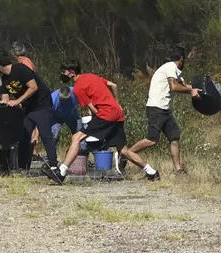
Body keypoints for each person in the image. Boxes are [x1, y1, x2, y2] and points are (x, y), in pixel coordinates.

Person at [54, 62, 160, 181]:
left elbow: (93, 110)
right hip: (118, 114)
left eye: (64, 72)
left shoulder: (78, 88)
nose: (62, 74)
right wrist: (118, 104)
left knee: (77, 137)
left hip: (105, 114)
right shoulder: (92, 76)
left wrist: (95, 122)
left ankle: (61, 172)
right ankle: (152, 172)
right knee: (123, 151)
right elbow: (114, 85)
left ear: (72, 73)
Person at [128, 46, 200, 175]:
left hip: (165, 109)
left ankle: (178, 170)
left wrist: (199, 90)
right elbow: (174, 86)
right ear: (181, 59)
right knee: (151, 140)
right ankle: (126, 154)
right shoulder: (170, 67)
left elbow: (184, 86)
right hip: (156, 108)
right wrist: (190, 90)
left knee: (174, 137)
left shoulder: (175, 72)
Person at [0, 51, 64, 183]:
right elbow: (5, 97)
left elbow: (33, 87)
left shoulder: (20, 69)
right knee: (24, 135)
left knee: (45, 134)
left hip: (41, 104)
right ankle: (23, 167)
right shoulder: (4, 79)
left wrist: (18, 101)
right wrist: (4, 104)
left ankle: (54, 166)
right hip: (28, 108)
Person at [49, 79, 81, 148]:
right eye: (62, 100)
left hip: (71, 114)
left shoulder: (76, 92)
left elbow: (88, 100)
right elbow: (45, 113)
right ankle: (51, 155)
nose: (64, 101)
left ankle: (81, 153)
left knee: (80, 133)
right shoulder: (52, 99)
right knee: (54, 134)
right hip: (56, 116)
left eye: (66, 100)